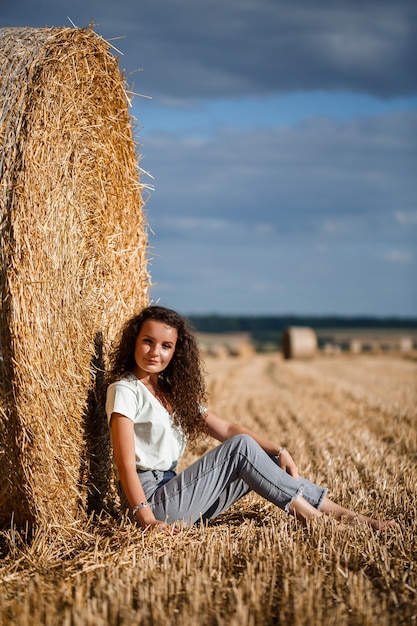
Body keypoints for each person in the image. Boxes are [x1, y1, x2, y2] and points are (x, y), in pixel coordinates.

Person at [105, 305, 396, 534]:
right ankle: (315, 520)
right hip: (153, 504)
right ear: (134, 341)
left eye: (166, 345)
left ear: (176, 351)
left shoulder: (169, 393)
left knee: (258, 456)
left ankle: (353, 518)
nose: (155, 352)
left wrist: (278, 450)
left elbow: (228, 429)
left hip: (180, 497)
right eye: (147, 342)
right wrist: (146, 519)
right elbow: (125, 464)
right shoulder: (125, 390)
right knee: (243, 447)